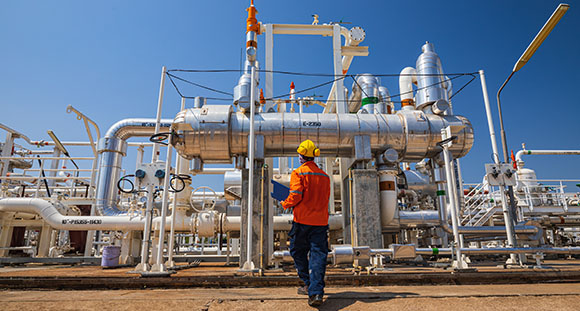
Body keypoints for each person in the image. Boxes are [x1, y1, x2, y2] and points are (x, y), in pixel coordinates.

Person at [281, 139, 331, 307]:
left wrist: (285, 203)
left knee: (296, 250)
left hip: (302, 221)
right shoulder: (325, 176)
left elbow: (295, 195)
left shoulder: (298, 173)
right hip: (321, 222)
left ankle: (308, 283)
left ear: (301, 156)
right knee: (318, 256)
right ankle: (315, 292)